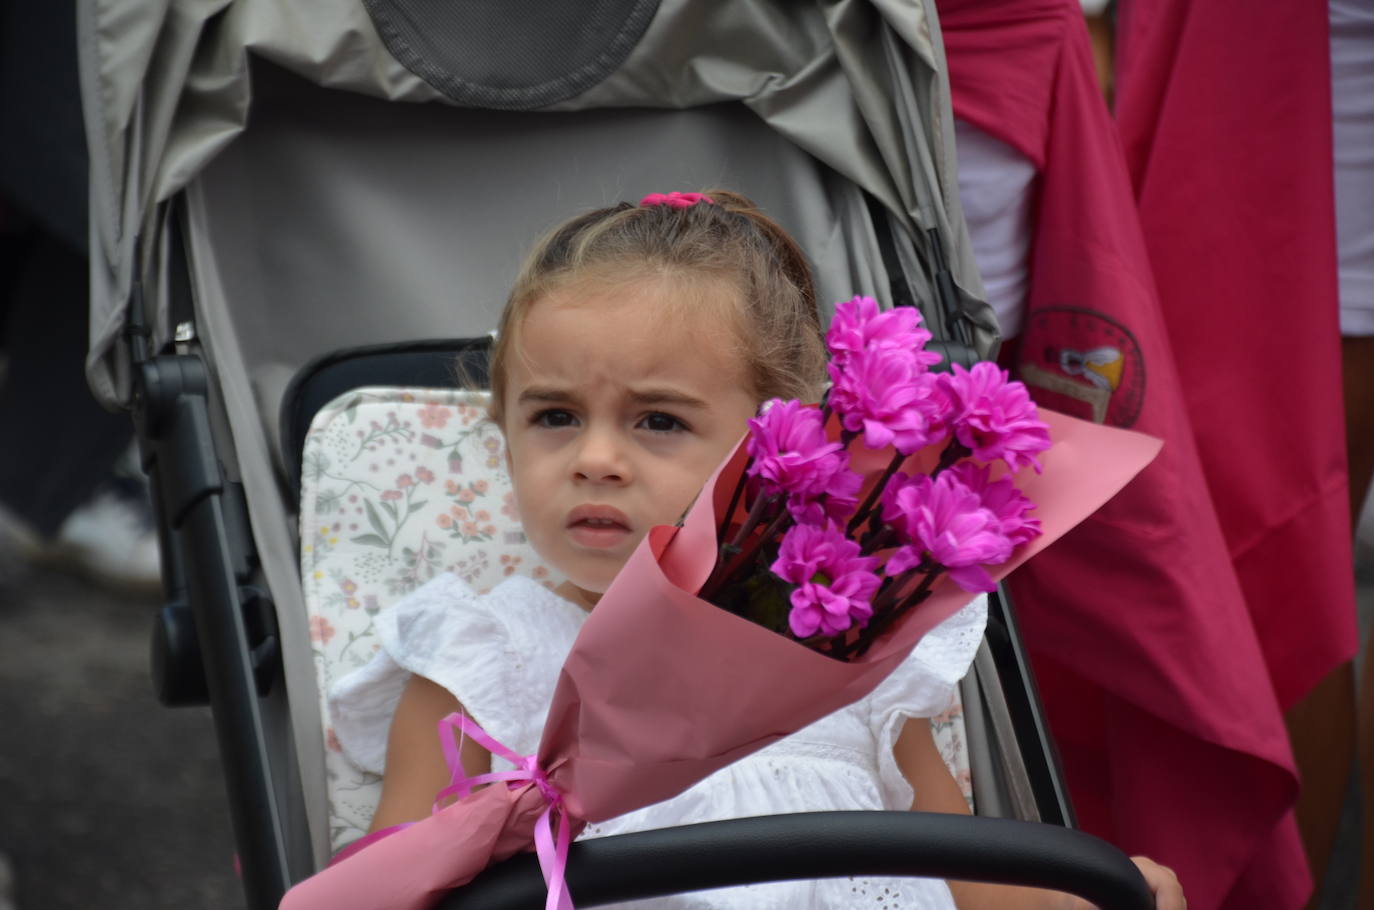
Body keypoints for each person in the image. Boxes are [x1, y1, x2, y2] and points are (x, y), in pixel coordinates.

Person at [328, 190, 1183, 909]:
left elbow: (958, 881)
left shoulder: (850, 653)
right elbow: (393, 882)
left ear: (779, 447)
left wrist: (1095, 895)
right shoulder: (482, 660)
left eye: (657, 421)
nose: (593, 458)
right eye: (553, 416)